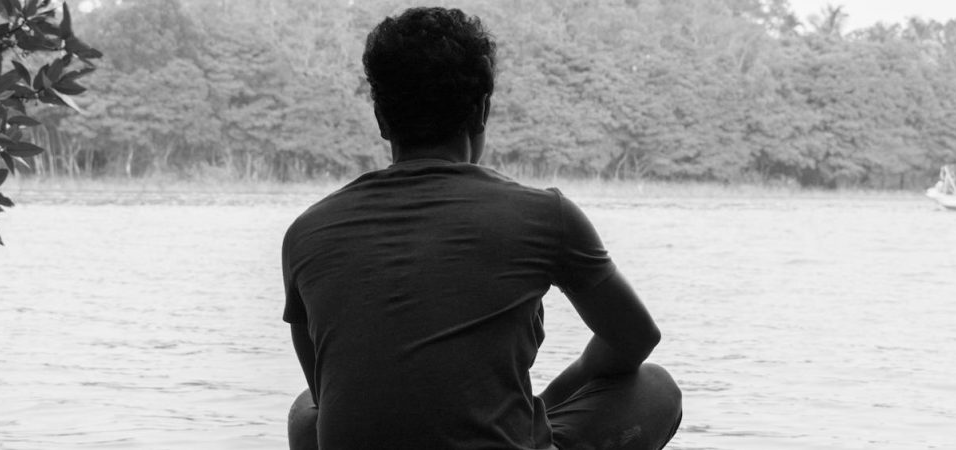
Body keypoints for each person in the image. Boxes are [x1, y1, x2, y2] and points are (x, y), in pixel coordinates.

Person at [282, 7, 681, 450]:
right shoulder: (545, 215)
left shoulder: (306, 232)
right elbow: (636, 340)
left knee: (306, 412)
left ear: (381, 119)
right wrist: (549, 401)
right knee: (655, 388)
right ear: (483, 112)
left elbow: (322, 388)